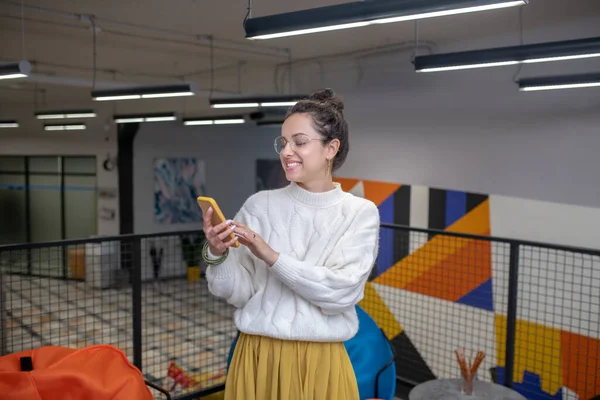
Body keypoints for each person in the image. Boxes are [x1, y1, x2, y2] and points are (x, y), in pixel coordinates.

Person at [201, 88, 380, 400]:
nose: (286, 151)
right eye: (282, 143)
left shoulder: (358, 213)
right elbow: (237, 292)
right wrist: (218, 253)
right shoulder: (260, 205)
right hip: (256, 354)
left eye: (299, 142)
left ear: (331, 148)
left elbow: (341, 294)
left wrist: (271, 256)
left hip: (320, 360)